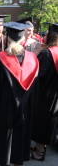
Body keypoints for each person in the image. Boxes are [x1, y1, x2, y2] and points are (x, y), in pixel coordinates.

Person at [0, 21, 39, 166]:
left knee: (4, 145)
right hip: (25, 110)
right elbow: (35, 90)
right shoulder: (33, 59)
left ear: (7, 38)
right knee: (20, 142)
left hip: (4, 110)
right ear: (23, 39)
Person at [31, 23, 58, 161]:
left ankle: (39, 152)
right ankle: (39, 148)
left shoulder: (48, 53)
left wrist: (35, 54)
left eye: (47, 34)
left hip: (45, 94)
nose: (45, 35)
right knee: (49, 121)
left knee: (42, 122)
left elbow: (36, 73)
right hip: (55, 95)